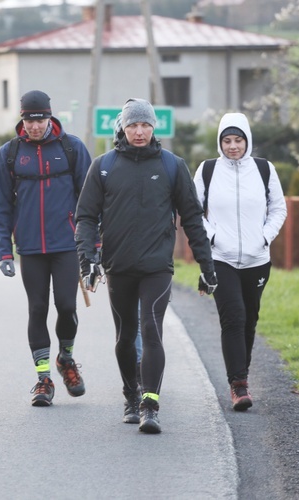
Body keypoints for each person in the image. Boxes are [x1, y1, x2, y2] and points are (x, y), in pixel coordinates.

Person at [74, 98, 217, 434]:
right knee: (126, 337)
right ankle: (130, 394)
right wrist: (88, 260)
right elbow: (85, 217)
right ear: (122, 127)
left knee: (152, 331)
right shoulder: (104, 166)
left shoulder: (171, 165)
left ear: (154, 128)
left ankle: (150, 404)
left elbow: (193, 218)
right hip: (119, 266)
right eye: (133, 125)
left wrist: (207, 265)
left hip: (156, 267)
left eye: (145, 125)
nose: (139, 132)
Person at [0, 90, 92, 407]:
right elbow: (2, 205)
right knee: (37, 309)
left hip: (66, 245)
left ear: (50, 117)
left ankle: (66, 358)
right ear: (22, 119)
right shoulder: (9, 154)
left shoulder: (72, 148)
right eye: (29, 119)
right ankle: (43, 379)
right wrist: (4, 250)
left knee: (66, 306)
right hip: (30, 247)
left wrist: (93, 243)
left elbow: (90, 201)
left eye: (40, 119)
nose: (35, 126)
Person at [193, 112, 287, 411]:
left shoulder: (263, 169)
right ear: (220, 142)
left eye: (238, 140)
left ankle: (239, 375)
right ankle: (239, 385)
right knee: (233, 317)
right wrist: (214, 238)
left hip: (257, 259)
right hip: (221, 258)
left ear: (247, 140)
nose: (233, 146)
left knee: (249, 320)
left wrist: (264, 237)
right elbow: (194, 211)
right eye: (227, 140)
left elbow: (278, 209)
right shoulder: (208, 170)